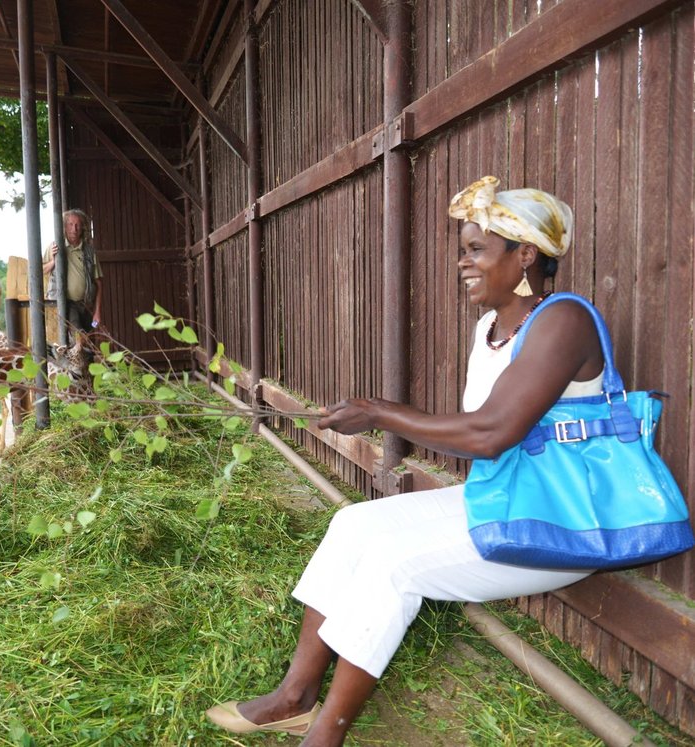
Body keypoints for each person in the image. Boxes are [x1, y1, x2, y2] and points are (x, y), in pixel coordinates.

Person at [205, 176, 605, 746]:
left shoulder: (565, 320)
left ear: (525, 255)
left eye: (475, 250)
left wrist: (382, 413)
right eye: (462, 250)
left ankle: (325, 737)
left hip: (562, 522)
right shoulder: (489, 329)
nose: (463, 263)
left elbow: (490, 434)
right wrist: (373, 413)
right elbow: (482, 432)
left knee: (396, 562)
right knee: (354, 523)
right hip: (507, 498)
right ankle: (294, 697)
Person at [43, 209, 103, 332]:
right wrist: (53, 262)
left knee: (89, 341)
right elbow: (39, 271)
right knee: (78, 336)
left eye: (77, 225)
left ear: (82, 228)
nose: (74, 229)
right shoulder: (55, 247)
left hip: (85, 305)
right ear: (64, 226)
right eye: (70, 224)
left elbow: (99, 284)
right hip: (65, 303)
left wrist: (97, 312)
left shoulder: (89, 251)